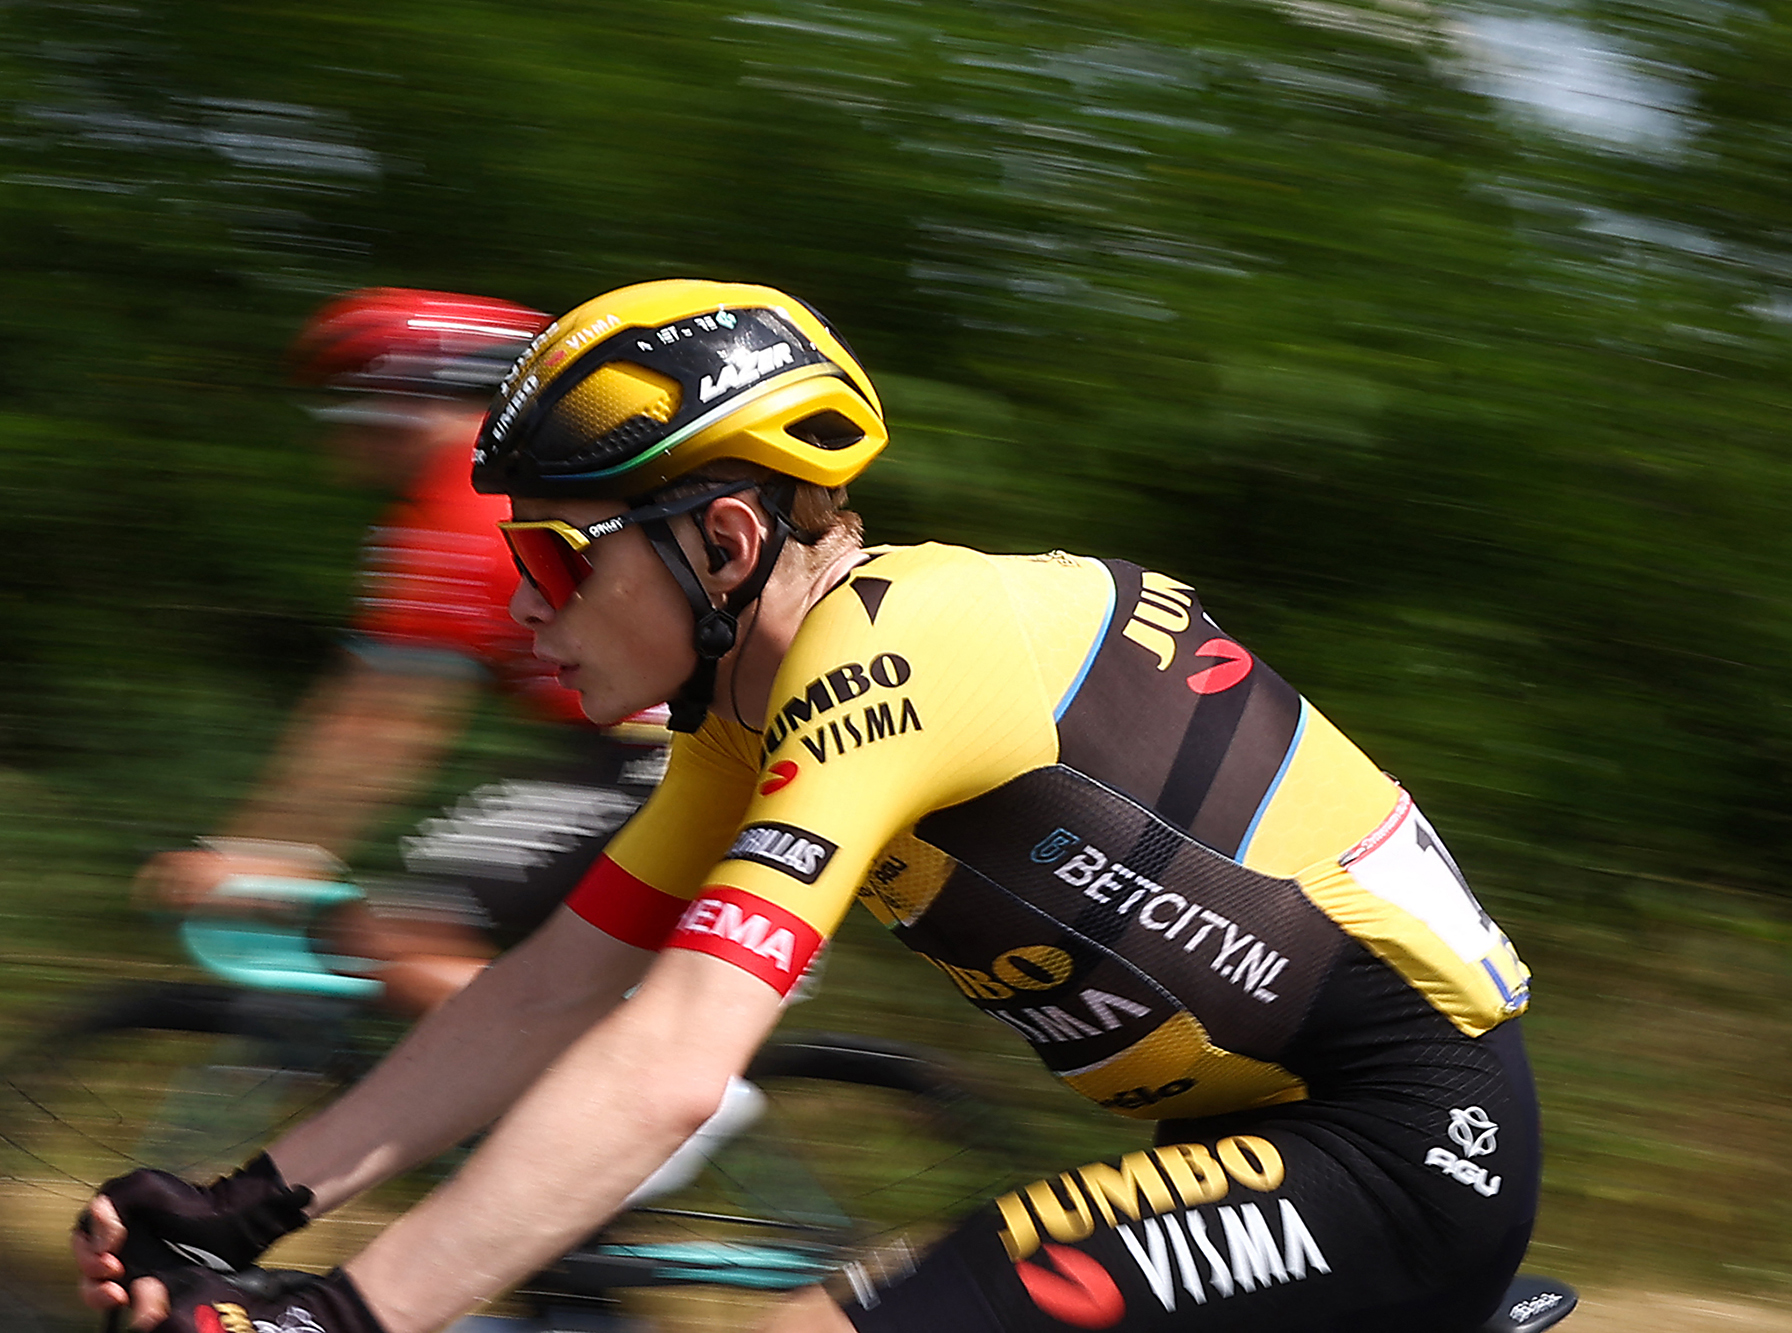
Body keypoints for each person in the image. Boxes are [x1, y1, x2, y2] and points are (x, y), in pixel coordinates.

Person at [75, 279, 1540, 1333]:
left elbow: (669, 1064)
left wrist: (338, 1315)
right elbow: (544, 995)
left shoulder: (900, 653)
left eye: (556, 561)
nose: (526, 611)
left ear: (722, 538)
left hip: (1399, 1149)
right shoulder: (748, 713)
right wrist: (250, 1203)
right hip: (1276, 1145)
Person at [140, 287, 667, 1017]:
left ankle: (643, 1096)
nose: (330, 434)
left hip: (642, 761)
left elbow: (384, 721)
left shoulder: (458, 509)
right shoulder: (509, 491)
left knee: (395, 935)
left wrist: (266, 853)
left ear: (395, 404)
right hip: (632, 755)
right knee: (450, 934)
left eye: (341, 406)